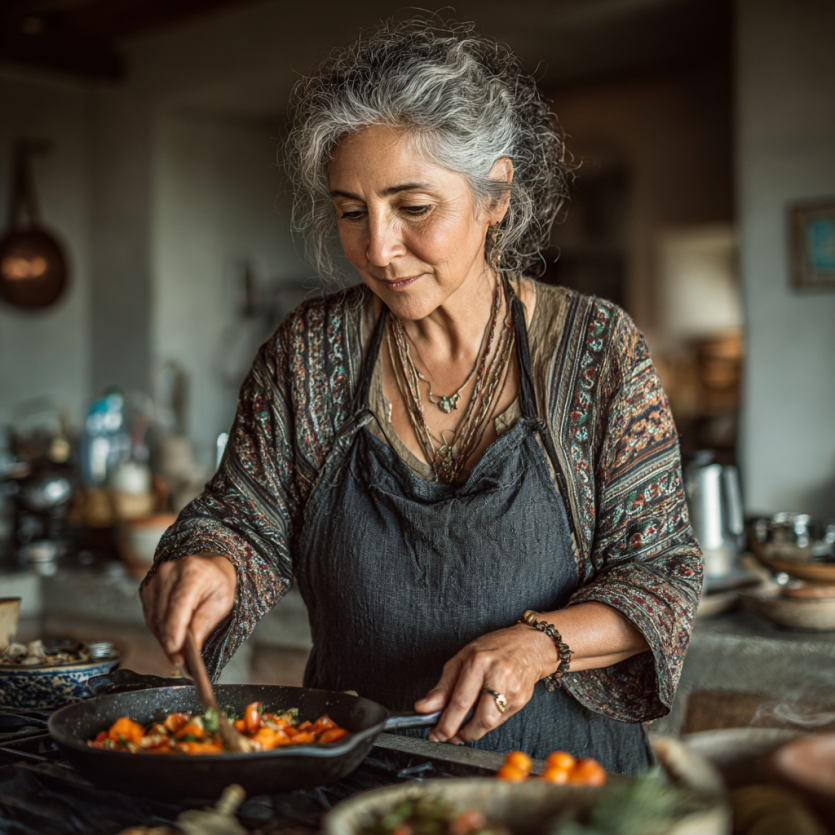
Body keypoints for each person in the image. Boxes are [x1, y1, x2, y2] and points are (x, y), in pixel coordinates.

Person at [140, 19, 702, 774]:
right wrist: (210, 560)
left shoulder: (597, 349)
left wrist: (542, 642)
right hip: (355, 774)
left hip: (565, 784)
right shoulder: (311, 351)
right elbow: (244, 519)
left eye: (413, 208)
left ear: (495, 195)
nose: (377, 247)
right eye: (350, 211)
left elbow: (660, 573)